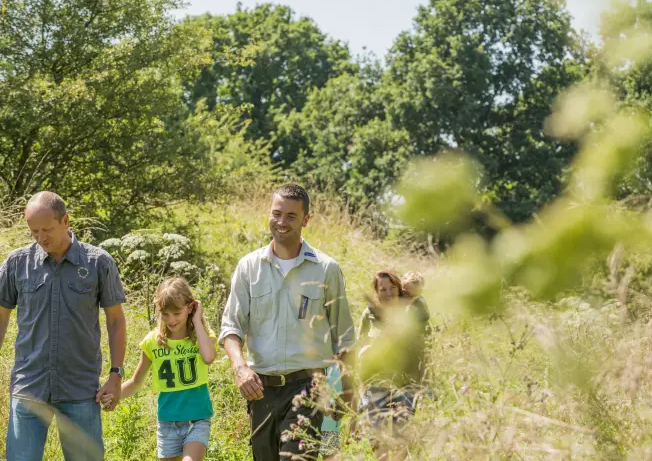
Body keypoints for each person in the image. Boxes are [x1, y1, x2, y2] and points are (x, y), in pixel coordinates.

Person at [219, 183, 356, 461]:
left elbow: (344, 337)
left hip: (309, 388)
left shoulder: (326, 268)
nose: (281, 222)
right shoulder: (248, 267)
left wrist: (347, 394)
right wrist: (240, 368)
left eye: (291, 216)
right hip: (261, 391)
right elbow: (231, 327)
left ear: (306, 220)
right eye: (276, 214)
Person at [0, 191, 127, 461]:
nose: (41, 237)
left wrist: (115, 375)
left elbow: (116, 319)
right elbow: (1, 315)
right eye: (34, 231)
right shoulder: (16, 264)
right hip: (29, 388)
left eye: (47, 229)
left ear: (66, 221)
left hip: (80, 389)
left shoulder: (98, 262)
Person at [106, 277, 216, 461]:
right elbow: (136, 381)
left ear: (190, 308)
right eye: (165, 314)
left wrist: (197, 320)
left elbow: (209, 357)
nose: (171, 319)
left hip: (197, 419)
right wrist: (115, 395)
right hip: (167, 423)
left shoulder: (201, 337)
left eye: (177, 313)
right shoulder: (153, 342)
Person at [357, 270, 431, 460]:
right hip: (376, 382)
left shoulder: (413, 311)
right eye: (383, 289)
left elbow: (424, 346)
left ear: (399, 289)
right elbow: (359, 347)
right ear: (376, 292)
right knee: (378, 437)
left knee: (401, 437)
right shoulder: (369, 313)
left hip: (405, 382)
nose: (388, 293)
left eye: (392, 288)